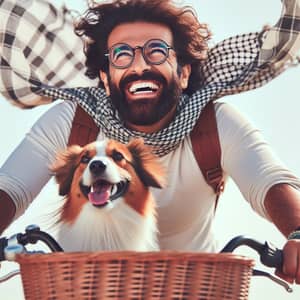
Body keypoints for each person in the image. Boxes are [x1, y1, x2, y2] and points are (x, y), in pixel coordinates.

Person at [0, 0, 300, 285]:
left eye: (156, 51)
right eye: (122, 54)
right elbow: (12, 185)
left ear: (183, 73)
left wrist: (297, 233)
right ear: (105, 78)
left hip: (194, 290)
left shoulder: (212, 122)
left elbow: (269, 180)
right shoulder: (76, 121)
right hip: (86, 289)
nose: (139, 66)